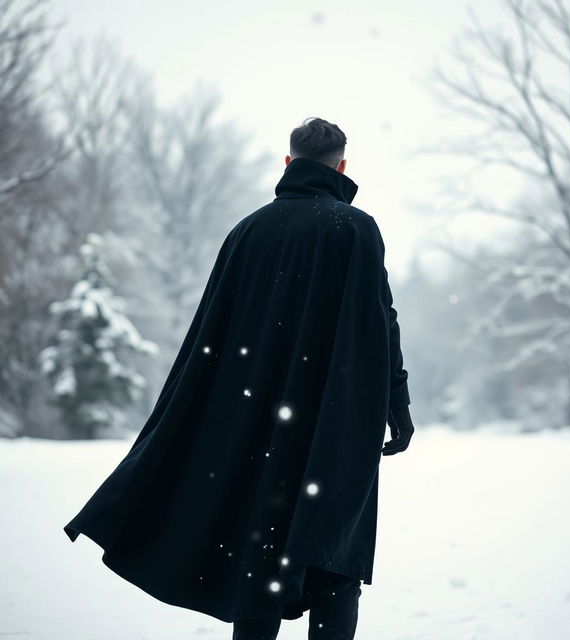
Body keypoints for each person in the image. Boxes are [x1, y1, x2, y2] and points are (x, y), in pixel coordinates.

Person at [63, 117, 415, 640]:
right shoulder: (356, 228)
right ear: (342, 167)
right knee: (333, 560)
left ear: (288, 162)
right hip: (333, 424)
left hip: (260, 425)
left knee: (261, 560)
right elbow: (379, 323)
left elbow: (213, 333)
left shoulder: (248, 230)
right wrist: (397, 406)